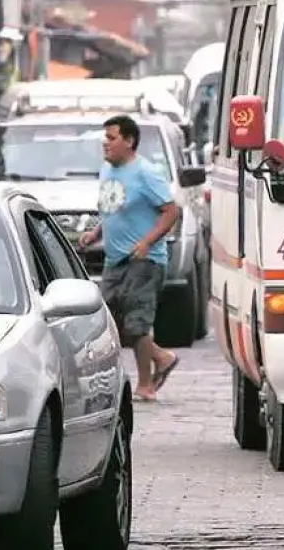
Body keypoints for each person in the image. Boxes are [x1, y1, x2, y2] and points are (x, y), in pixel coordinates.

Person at [79, 114, 179, 402]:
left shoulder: (146, 172)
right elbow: (114, 208)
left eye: (111, 138)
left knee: (136, 322)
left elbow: (171, 211)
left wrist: (147, 242)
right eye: (105, 138)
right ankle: (158, 363)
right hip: (115, 258)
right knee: (110, 320)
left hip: (144, 260)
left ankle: (149, 378)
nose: (105, 144)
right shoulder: (107, 170)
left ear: (129, 141)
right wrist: (94, 233)